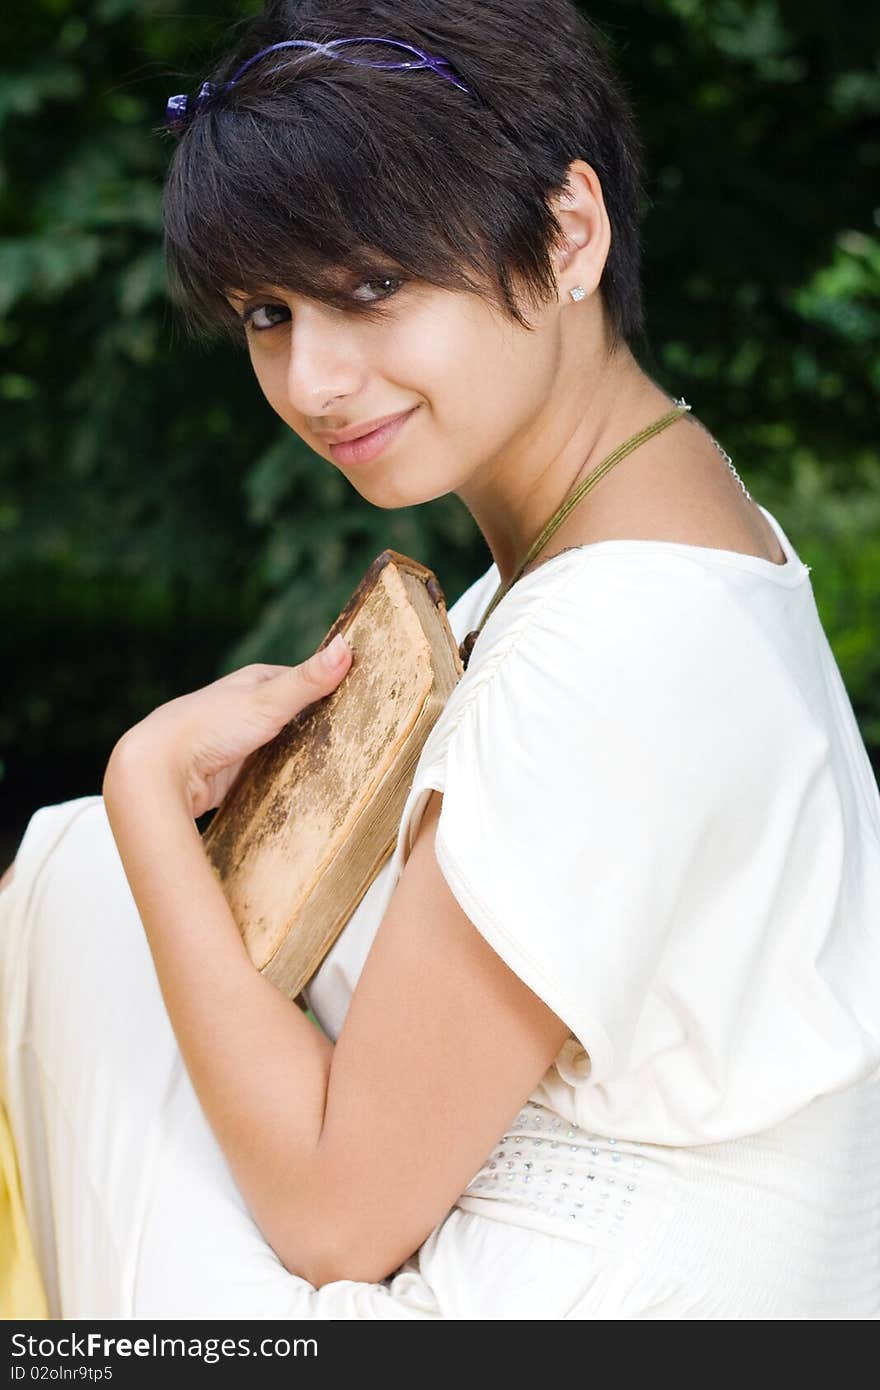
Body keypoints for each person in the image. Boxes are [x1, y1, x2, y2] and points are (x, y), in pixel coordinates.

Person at [2, 0, 879, 1320]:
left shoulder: (605, 648)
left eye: (370, 288)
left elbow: (336, 1210)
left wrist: (141, 789)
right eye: (267, 311)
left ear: (568, 232)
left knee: (81, 884)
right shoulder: (658, 512)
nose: (314, 378)